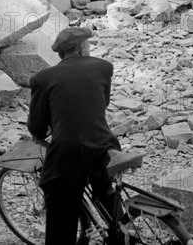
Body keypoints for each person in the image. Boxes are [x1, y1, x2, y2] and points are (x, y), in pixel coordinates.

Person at [28, 27, 122, 245]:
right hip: (104, 145)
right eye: (87, 44)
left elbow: (37, 129)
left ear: (60, 53)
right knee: (106, 191)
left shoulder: (42, 78)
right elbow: (102, 103)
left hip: (68, 152)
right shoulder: (103, 67)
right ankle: (122, 232)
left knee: (61, 210)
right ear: (81, 47)